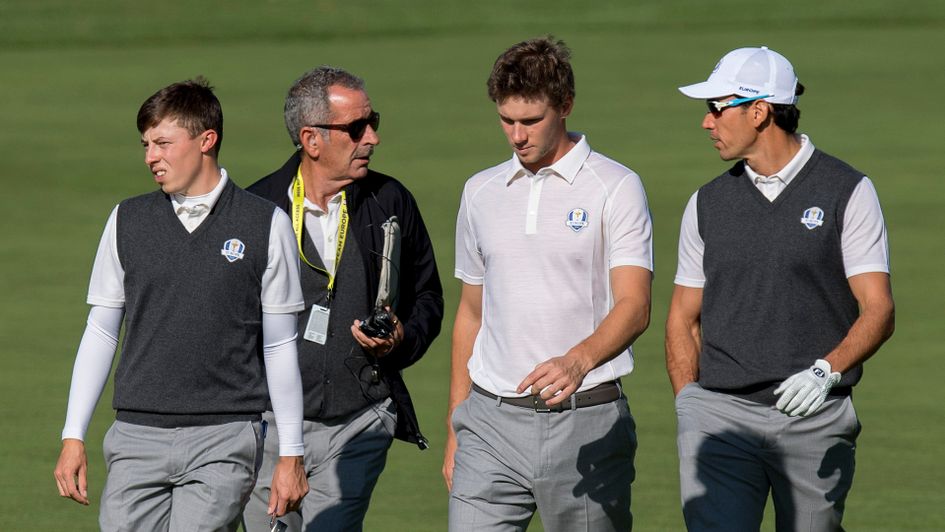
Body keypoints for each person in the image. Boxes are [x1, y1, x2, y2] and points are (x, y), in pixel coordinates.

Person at [52, 78, 309, 531]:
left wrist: (291, 454)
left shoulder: (266, 224)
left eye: (163, 143)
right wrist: (73, 435)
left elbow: (279, 346)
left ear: (206, 140)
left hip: (225, 436)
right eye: (146, 144)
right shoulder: (126, 220)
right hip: (135, 437)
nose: (151, 156)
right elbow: (101, 330)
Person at [666, 46, 896, 531]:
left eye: (716, 109)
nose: (707, 123)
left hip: (815, 417)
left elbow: (878, 309)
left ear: (759, 110)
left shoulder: (847, 190)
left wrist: (824, 372)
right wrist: (690, 403)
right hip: (719, 421)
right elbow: (683, 316)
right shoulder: (706, 203)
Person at [444, 36, 654, 531]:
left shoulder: (617, 187)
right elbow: (471, 313)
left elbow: (635, 303)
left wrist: (577, 359)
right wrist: (457, 425)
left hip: (586, 421)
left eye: (531, 121)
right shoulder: (480, 192)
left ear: (565, 106)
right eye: (506, 120)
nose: (517, 135)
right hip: (488, 425)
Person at [241, 66, 444, 532]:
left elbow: (428, 295)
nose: (371, 138)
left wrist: (400, 339)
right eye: (356, 128)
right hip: (268, 424)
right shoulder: (256, 209)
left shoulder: (391, 200)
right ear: (312, 140)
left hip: (360, 418)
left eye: (374, 122)